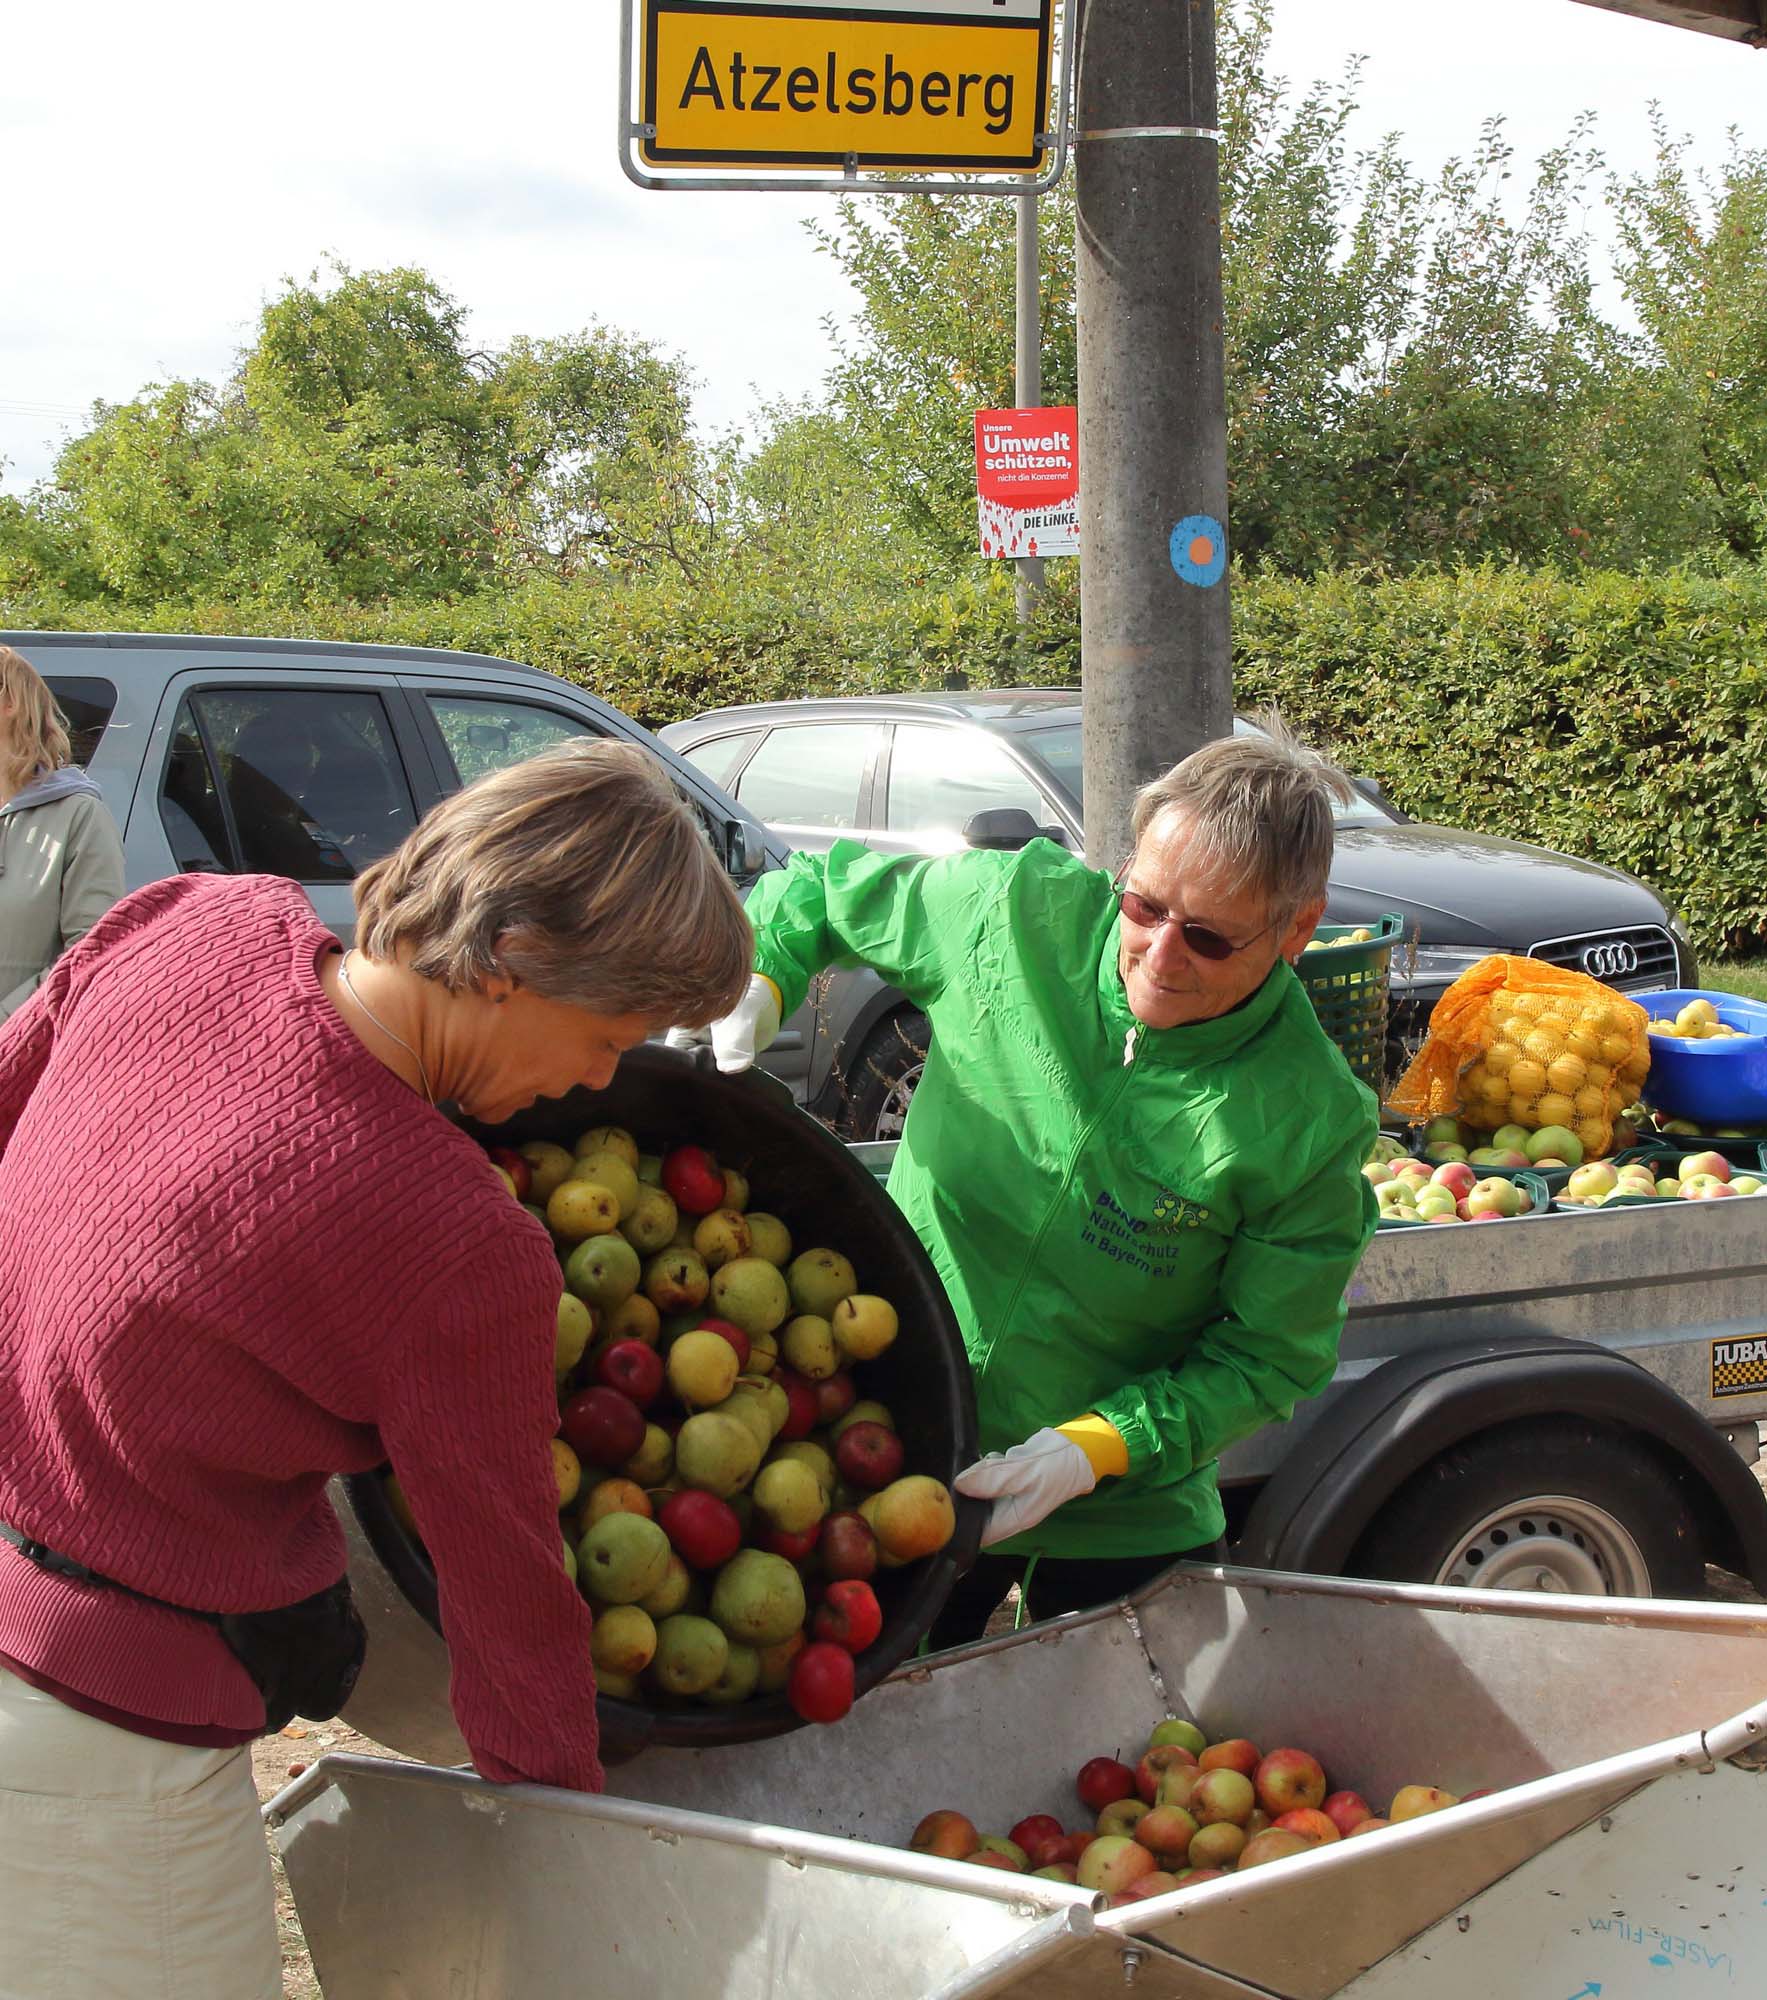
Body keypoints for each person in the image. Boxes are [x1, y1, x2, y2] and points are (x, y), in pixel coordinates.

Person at [0, 739, 751, 2000]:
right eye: (608, 1034)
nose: (600, 1078)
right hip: (103, 1738)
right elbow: (507, 1589)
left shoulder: (191, 918)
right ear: (513, 966)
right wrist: (571, 1841)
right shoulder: (460, 1242)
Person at [681, 724, 1378, 1644]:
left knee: (1104, 1753)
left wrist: (1095, 1448)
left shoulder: (1308, 1117)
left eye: (1208, 937)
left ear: (1298, 928)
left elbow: (1266, 1358)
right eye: (1144, 907)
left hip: (1121, 1510)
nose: (1161, 957)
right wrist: (761, 975)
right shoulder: (1009, 913)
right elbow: (819, 891)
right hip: (903, 1432)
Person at [0, 643, 125, 1020]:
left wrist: (9, 1020)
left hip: (22, 1056)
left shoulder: (78, 815)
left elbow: (92, 952)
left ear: (12, 705)